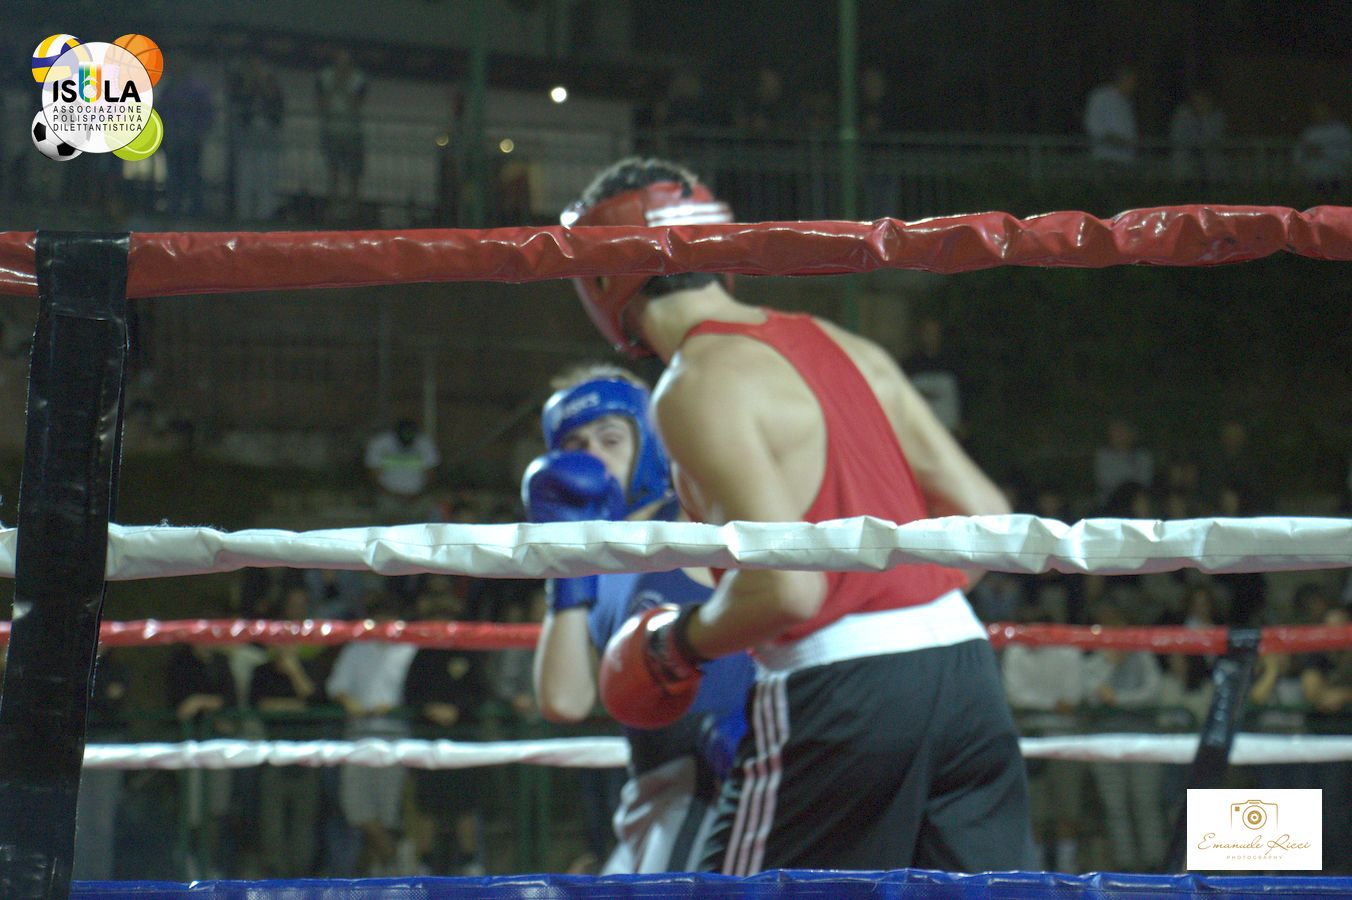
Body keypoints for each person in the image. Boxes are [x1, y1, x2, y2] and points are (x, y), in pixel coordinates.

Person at [570, 157, 1031, 873]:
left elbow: (787, 589)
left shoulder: (694, 383)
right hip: (966, 673)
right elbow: (987, 518)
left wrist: (675, 645)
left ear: (601, 278)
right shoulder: (845, 344)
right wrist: (899, 608)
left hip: (840, 689)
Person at [522, 364, 756, 873]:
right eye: (576, 446)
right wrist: (564, 568)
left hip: (718, 779)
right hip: (651, 790)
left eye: (610, 440)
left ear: (649, 444)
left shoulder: (690, 520)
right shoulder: (587, 559)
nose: (593, 458)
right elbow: (564, 699)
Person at [364, 417, 441, 524]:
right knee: (389, 519)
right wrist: (393, 495)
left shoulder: (425, 443)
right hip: (388, 496)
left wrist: (417, 495)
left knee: (426, 519)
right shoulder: (380, 443)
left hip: (418, 497)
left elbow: (431, 474)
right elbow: (372, 475)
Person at [1084, 65, 1139, 169]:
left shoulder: (1126, 101)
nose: (1134, 86)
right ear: (1123, 80)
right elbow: (1095, 128)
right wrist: (1120, 142)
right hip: (1107, 160)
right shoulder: (1101, 97)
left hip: (1126, 161)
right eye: (1132, 81)